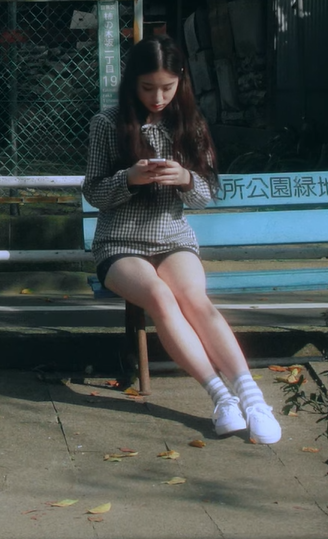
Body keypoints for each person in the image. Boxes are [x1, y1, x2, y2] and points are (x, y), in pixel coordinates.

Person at [82, 35, 282, 442]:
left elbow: (207, 192)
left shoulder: (190, 123)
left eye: (167, 87)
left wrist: (186, 178)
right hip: (119, 245)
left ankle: (252, 397)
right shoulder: (106, 123)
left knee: (194, 299)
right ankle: (220, 396)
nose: (158, 97)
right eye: (147, 87)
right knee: (159, 296)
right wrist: (129, 179)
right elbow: (93, 191)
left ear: (180, 81)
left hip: (173, 238)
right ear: (131, 83)